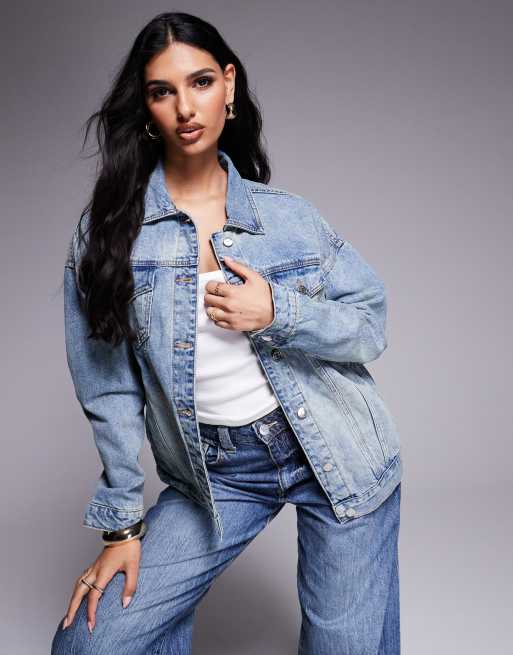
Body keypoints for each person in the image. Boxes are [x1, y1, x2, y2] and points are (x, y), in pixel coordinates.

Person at [51, 11, 403, 655]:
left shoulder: (287, 219)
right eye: (162, 91)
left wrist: (279, 312)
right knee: (92, 643)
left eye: (202, 82)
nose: (186, 108)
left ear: (229, 85)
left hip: (336, 451)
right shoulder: (108, 236)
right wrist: (121, 525)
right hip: (217, 473)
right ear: (146, 107)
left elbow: (369, 324)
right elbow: (108, 390)